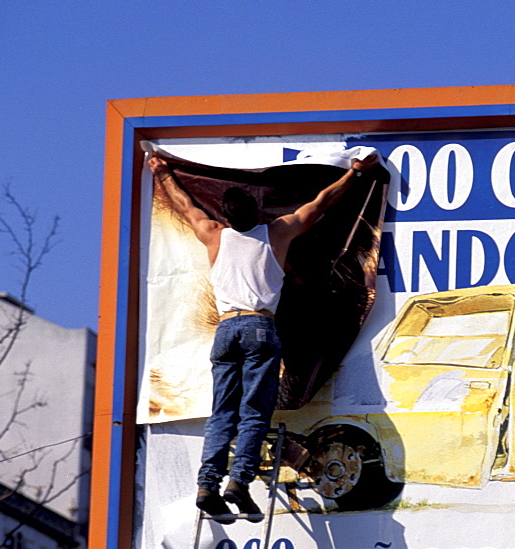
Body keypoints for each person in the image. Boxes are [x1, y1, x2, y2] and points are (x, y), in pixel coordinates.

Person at [147, 151, 379, 521]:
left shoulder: (213, 234)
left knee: (223, 412)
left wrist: (162, 173)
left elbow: (184, 203)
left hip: (226, 329)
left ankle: (207, 484)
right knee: (253, 412)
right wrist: (354, 173)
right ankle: (238, 483)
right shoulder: (277, 233)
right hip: (259, 326)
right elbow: (321, 203)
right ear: (255, 215)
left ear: (226, 217)